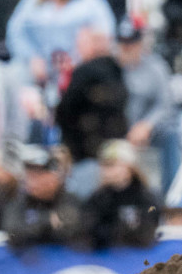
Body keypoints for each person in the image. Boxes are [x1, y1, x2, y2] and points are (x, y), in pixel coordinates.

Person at [7, 0, 116, 112]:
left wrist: (81, 57)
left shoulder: (89, 0)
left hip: (79, 66)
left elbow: (106, 34)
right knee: (12, 77)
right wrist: (31, 57)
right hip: (40, 69)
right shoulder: (32, 0)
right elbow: (15, 32)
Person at [54, 26, 129, 197]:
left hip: (86, 153)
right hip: (114, 149)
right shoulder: (117, 70)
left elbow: (65, 110)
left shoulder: (85, 72)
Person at [116, 22, 181, 191]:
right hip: (118, 128)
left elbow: (165, 104)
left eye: (131, 43)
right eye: (123, 43)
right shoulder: (110, 68)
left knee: (170, 133)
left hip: (151, 130)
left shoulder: (156, 66)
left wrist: (146, 125)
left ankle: (172, 194)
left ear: (140, 43)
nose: (127, 48)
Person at [82, 139, 160, 250]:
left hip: (138, 255)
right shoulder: (98, 198)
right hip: (107, 256)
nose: (105, 170)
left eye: (111, 165)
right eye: (103, 165)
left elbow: (148, 233)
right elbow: (89, 233)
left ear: (129, 167)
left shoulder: (146, 198)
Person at [3, 145, 80, 251]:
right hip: (29, 258)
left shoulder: (69, 200)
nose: (31, 181)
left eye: (38, 175)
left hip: (63, 258)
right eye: (29, 174)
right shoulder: (20, 201)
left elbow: (71, 232)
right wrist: (47, 221)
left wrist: (34, 226)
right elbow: (13, 232)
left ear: (53, 176)